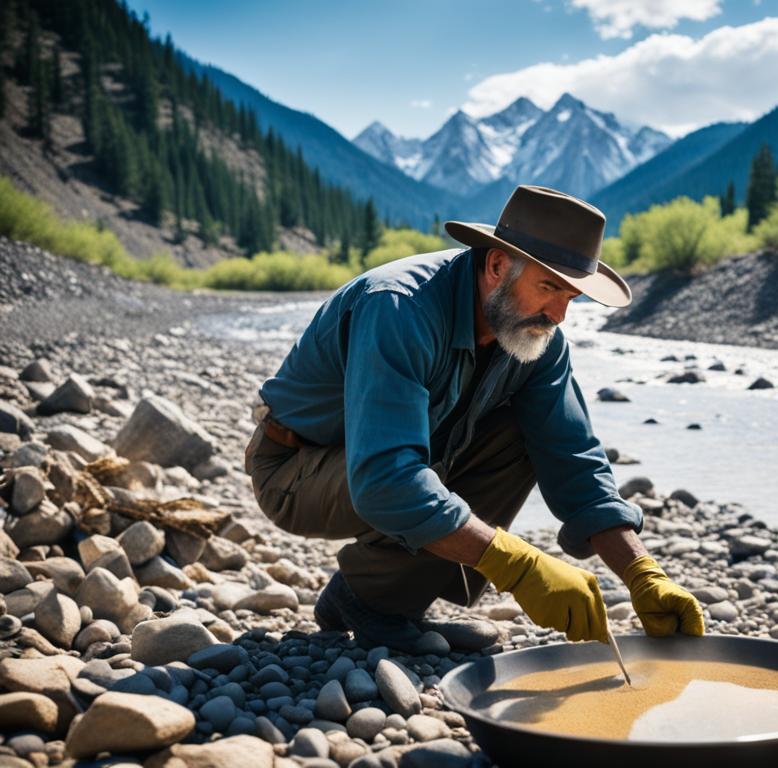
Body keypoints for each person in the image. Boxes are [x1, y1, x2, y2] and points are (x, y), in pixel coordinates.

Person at [244, 184, 704, 654]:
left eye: (572, 296)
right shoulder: (400, 308)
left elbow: (572, 457)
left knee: (521, 437)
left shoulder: (537, 338)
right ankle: (376, 604)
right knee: (415, 471)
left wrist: (643, 573)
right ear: (497, 265)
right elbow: (386, 478)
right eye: (549, 288)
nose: (559, 315)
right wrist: (519, 567)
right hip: (295, 471)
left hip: (386, 462)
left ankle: (369, 599)